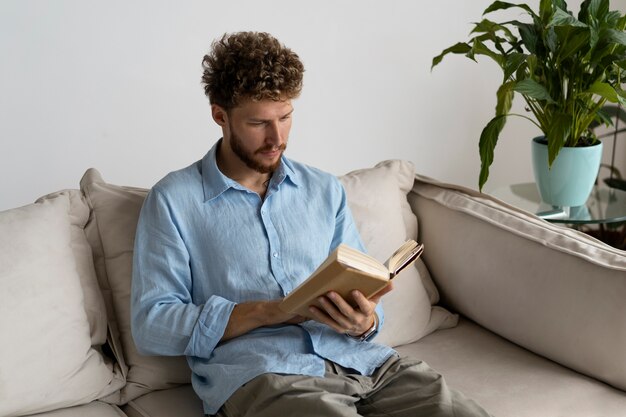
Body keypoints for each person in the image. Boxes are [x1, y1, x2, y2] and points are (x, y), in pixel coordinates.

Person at [131, 31, 490, 417]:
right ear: (220, 115)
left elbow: (365, 293)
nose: (276, 138)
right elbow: (153, 323)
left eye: (285, 117)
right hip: (265, 375)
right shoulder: (174, 200)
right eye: (258, 123)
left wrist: (364, 319)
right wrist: (270, 312)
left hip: (367, 363)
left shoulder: (322, 189)